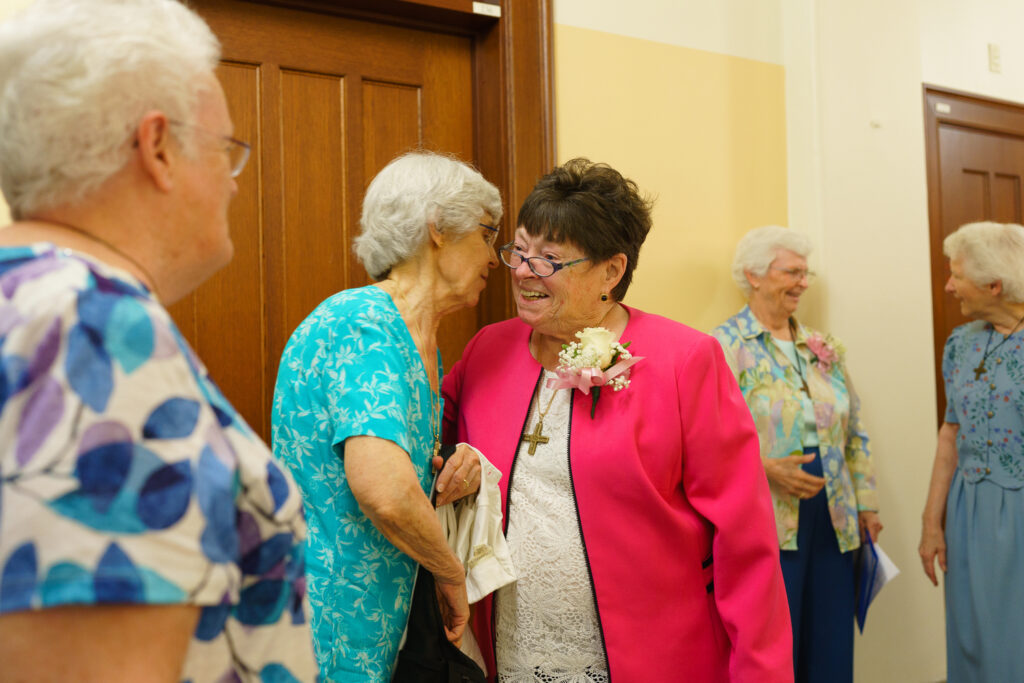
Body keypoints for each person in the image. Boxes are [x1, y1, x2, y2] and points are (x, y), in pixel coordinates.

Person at [0, 1, 317, 681]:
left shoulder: (25, 297)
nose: (234, 183)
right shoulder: (93, 326)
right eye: (226, 149)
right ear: (159, 147)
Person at [442, 159, 792, 682]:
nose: (522, 271)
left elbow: (746, 542)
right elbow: (428, 447)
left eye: (549, 259)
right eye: (519, 250)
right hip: (509, 652)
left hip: (652, 658)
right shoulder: (488, 350)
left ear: (611, 270)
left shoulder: (686, 361)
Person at [272, 150, 501, 681]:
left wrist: (445, 472)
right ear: (439, 227)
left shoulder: (418, 338)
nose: (494, 258)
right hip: (330, 621)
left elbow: (401, 474)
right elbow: (384, 490)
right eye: (488, 234)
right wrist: (450, 574)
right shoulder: (363, 322)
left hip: (382, 622)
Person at [712, 225, 881, 683]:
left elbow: (855, 431)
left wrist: (866, 503)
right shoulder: (724, 346)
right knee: (775, 645)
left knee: (831, 642)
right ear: (754, 275)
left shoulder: (821, 347)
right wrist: (764, 468)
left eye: (806, 273)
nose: (804, 282)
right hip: (768, 515)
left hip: (833, 513)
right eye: (792, 272)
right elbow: (709, 439)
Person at [919, 221, 1024, 682]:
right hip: (968, 511)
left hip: (1019, 513)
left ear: (993, 285)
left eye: (955, 274)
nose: (948, 284)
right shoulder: (960, 344)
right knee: (972, 639)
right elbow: (950, 435)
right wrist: (931, 523)